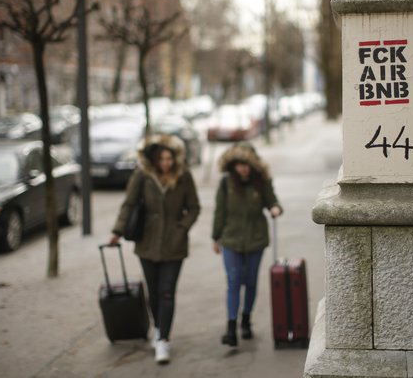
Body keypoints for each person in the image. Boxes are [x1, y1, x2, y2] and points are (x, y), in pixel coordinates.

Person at [109, 134, 200, 364]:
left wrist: (182, 228)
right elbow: (129, 204)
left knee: (167, 291)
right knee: (153, 292)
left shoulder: (184, 176)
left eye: (170, 158)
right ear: (154, 159)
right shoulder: (142, 176)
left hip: (174, 244)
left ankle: (163, 341)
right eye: (162, 159)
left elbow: (194, 207)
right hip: (147, 243)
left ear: (175, 158)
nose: (166, 163)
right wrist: (117, 231)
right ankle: (159, 328)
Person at [212, 142, 283, 347]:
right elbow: (219, 212)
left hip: (256, 239)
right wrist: (216, 238)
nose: (242, 168)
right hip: (230, 239)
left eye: (246, 164)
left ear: (253, 165)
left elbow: (273, 201)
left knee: (250, 282)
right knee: (234, 281)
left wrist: (275, 208)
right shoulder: (226, 183)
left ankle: (246, 320)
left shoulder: (262, 181)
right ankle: (231, 328)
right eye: (238, 164)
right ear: (233, 165)